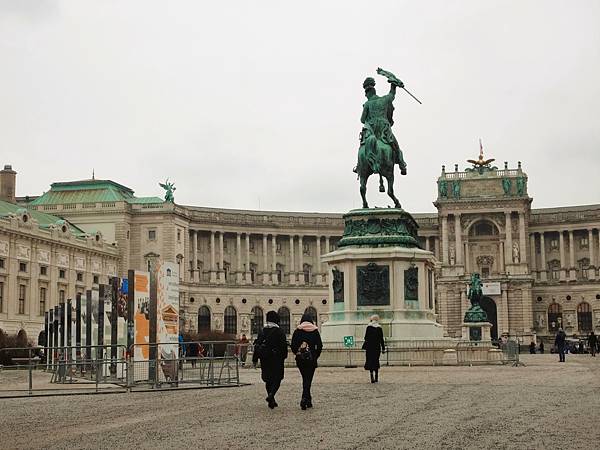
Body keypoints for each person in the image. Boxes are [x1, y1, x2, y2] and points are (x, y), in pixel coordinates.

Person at [252, 311, 288, 409]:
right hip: (276, 359)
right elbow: (283, 346)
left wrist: (255, 359)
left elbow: (257, 345)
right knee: (277, 378)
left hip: (265, 359)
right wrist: (284, 356)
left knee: (268, 379)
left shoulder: (262, 331)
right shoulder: (279, 331)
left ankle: (271, 400)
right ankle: (271, 395)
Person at [291, 312, 323, 410]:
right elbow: (320, 345)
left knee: (305, 378)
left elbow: (293, 346)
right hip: (311, 359)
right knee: (308, 379)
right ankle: (305, 398)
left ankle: (307, 399)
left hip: (301, 359)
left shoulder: (298, 330)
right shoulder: (315, 330)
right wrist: (315, 355)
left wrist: (297, 353)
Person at [362, 315, 385, 383]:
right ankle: (376, 376)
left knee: (370, 361)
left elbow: (366, 337)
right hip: (377, 347)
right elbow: (381, 339)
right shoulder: (379, 328)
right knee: (376, 360)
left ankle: (371, 376)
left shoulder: (369, 327)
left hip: (370, 347)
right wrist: (383, 348)